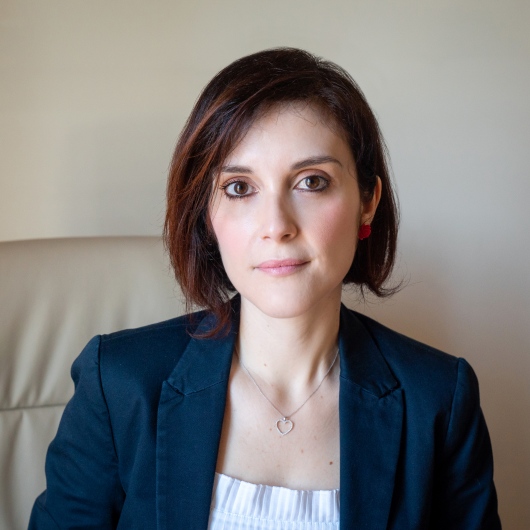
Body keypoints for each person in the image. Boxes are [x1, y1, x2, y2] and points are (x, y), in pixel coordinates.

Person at [29, 48, 501, 529]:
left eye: (312, 181)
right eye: (239, 187)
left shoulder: (439, 401)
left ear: (367, 202)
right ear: (206, 215)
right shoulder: (118, 384)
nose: (276, 226)